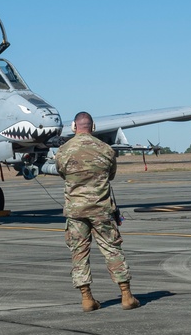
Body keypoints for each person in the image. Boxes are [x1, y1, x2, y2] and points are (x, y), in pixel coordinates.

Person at [55, 111, 139, 312]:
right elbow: (111, 175)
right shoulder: (106, 150)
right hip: (102, 210)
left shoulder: (63, 151)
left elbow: (61, 172)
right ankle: (126, 295)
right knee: (112, 249)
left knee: (79, 252)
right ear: (93, 127)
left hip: (76, 212)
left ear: (74, 127)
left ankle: (86, 298)